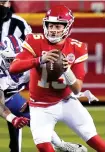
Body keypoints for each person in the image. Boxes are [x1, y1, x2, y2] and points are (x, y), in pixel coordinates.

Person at [10, 5, 105, 152]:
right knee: (44, 147)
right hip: (40, 106)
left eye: (58, 26)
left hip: (66, 102)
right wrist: (39, 59)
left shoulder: (77, 47)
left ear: (67, 27)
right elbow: (14, 68)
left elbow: (77, 88)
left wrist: (66, 70)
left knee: (94, 139)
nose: (53, 29)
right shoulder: (35, 41)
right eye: (51, 25)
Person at [0, 35, 89, 152]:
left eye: (16, 59)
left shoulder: (29, 61)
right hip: (4, 96)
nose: (13, 63)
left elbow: (45, 84)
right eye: (9, 60)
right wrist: (12, 118)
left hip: (11, 94)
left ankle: (60, 144)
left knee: (36, 119)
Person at [0, 0, 32, 151]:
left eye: (3, 2)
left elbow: (32, 50)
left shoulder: (19, 24)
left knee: (23, 123)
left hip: (9, 82)